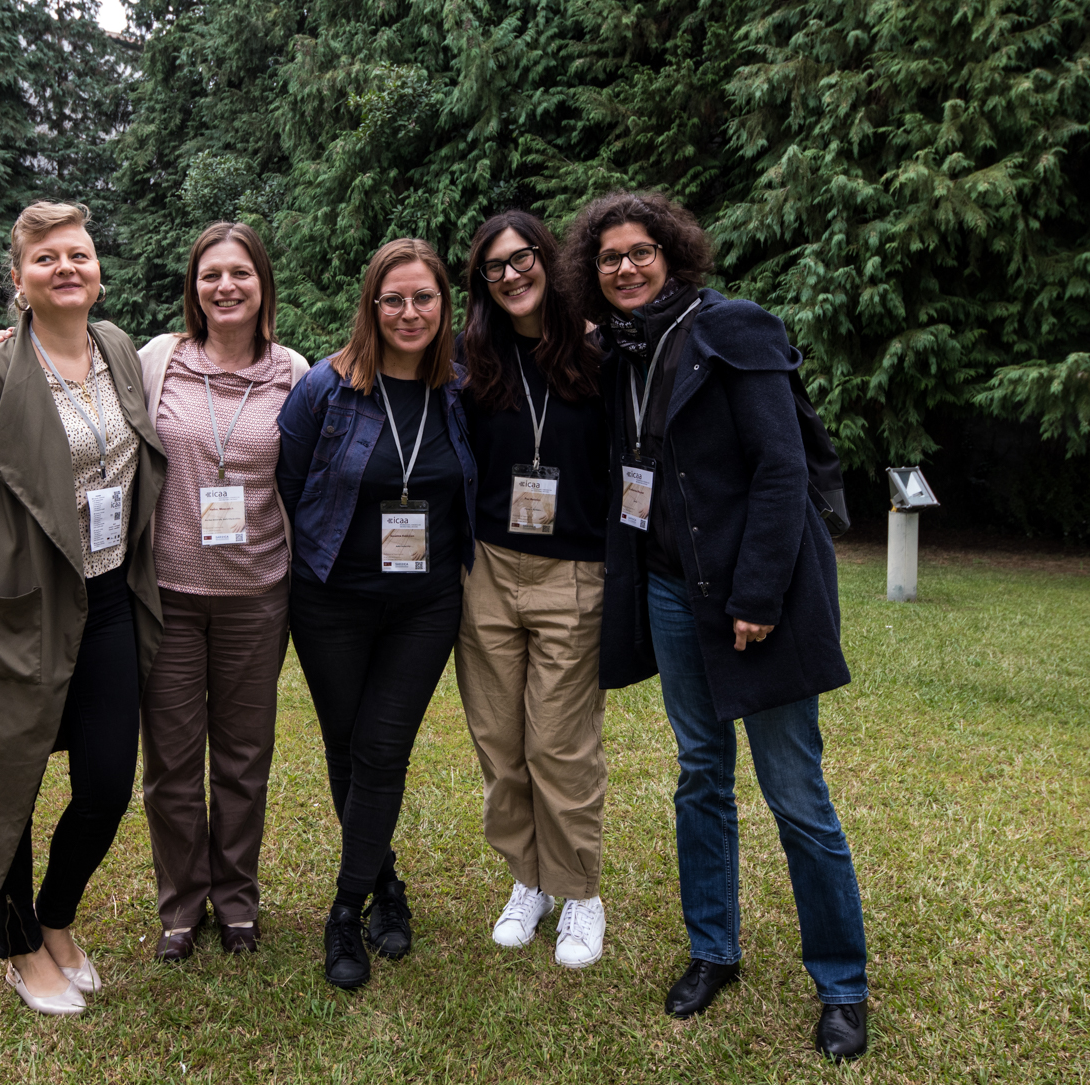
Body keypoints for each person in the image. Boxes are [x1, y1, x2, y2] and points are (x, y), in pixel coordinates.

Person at [565, 190, 869, 1060]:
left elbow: (781, 470)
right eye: (609, 256)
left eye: (640, 251)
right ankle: (713, 949)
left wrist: (759, 597)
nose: (625, 267)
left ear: (674, 253)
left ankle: (841, 983)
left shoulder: (735, 328)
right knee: (701, 773)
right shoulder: (619, 352)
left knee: (796, 794)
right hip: (668, 590)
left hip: (748, 596)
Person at [0, 201, 166, 1017]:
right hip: (11, 604)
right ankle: (20, 944)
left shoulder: (122, 352)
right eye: (46, 259)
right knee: (9, 779)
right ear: (20, 281)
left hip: (106, 599)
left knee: (105, 781)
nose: (67, 267)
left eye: (80, 255)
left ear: (99, 271)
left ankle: (57, 916)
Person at [276, 238, 477, 990]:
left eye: (423, 297)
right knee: (347, 743)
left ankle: (343, 907)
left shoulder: (460, 387)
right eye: (393, 298)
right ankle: (385, 881)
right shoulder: (326, 389)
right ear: (370, 305)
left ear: (443, 305)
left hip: (426, 604)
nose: (409, 311)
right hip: (331, 599)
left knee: (383, 747)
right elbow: (291, 485)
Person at [133, 223, 310, 961]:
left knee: (243, 756)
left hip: (257, 593)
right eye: (211, 275)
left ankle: (236, 900)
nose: (226, 286)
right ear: (194, 287)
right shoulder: (157, 360)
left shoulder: (293, 372)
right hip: (168, 593)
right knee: (171, 760)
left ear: (263, 284)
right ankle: (181, 905)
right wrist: (7, 345)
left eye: (241, 272)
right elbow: (70, 367)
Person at [450, 211, 612, 967]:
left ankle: (580, 889)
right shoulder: (469, 357)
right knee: (500, 742)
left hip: (572, 571)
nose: (511, 275)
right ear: (481, 284)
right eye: (493, 268)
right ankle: (529, 879)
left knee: (560, 743)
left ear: (547, 259)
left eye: (521, 260)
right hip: (485, 565)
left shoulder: (599, 348)